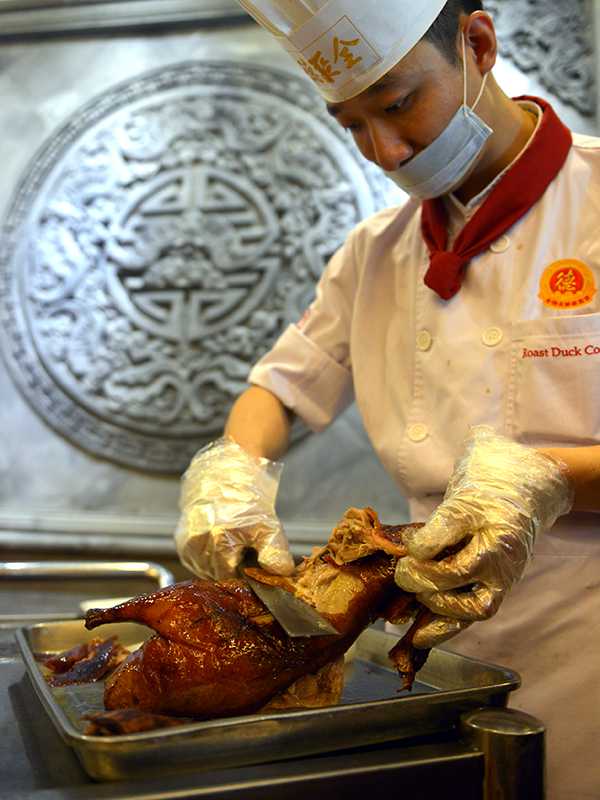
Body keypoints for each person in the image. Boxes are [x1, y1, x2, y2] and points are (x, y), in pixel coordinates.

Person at [175, 2, 600, 798]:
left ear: (477, 44)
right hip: (439, 662)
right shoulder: (372, 256)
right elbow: (279, 389)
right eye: (353, 125)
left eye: (400, 104)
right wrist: (231, 478)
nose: (387, 150)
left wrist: (551, 479)